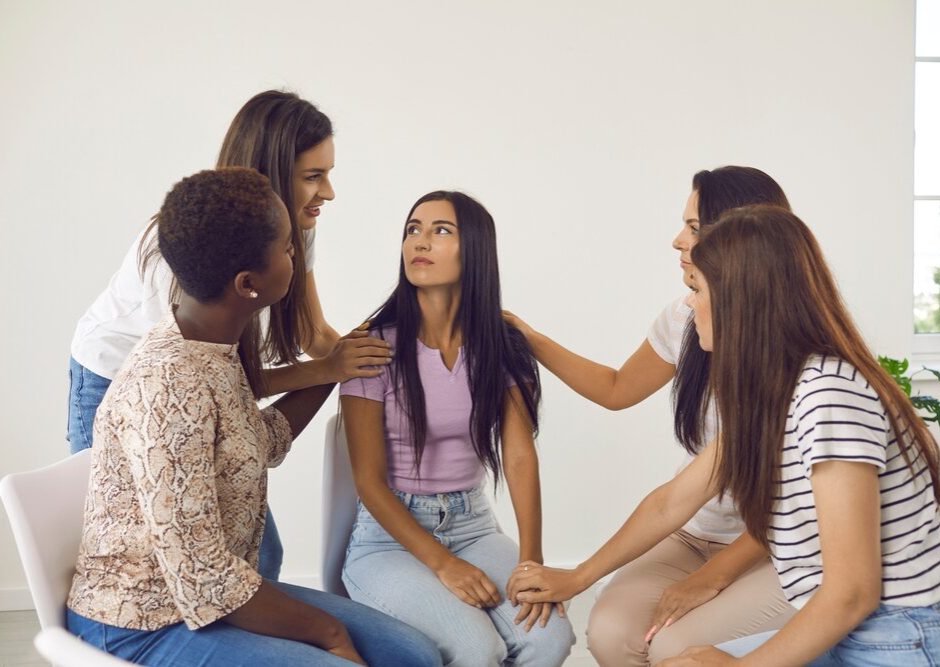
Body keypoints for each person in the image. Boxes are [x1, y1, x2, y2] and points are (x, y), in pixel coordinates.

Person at [509, 205, 940, 666]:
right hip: (849, 630)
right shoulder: (773, 389)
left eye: (696, 290)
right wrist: (577, 577)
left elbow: (853, 593)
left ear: (738, 299)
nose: (687, 305)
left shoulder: (829, 395)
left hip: (900, 636)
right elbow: (672, 502)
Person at [66, 168, 441, 667]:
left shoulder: (213, 348)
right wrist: (327, 632)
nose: (296, 256)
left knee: (413, 654)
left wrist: (334, 367)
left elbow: (261, 441)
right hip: (143, 622)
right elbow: (202, 578)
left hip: (208, 596)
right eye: (288, 248)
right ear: (247, 284)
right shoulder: (167, 388)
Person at [67, 90, 391, 579]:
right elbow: (206, 385)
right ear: (275, 171)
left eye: (329, 174)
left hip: (209, 383)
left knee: (259, 553)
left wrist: (381, 368)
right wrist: (329, 370)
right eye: (313, 176)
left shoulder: (294, 229)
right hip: (116, 383)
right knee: (145, 563)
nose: (328, 192)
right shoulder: (180, 254)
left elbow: (314, 333)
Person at [504, 166, 796, 664]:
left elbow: (793, 514)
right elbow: (618, 391)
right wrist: (529, 337)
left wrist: (714, 576)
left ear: (741, 238)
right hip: (693, 531)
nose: (678, 240)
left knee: (672, 645)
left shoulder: (796, 361)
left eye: (696, 227)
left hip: (772, 545)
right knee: (613, 633)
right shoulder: (688, 316)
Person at [339, 191, 575, 666]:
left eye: (440, 230)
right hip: (388, 538)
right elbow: (368, 480)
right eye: (413, 230)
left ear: (476, 251)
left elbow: (519, 454)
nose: (419, 242)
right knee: (475, 648)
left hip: (474, 526)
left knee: (549, 638)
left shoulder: (502, 344)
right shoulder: (371, 346)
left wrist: (532, 563)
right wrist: (443, 564)